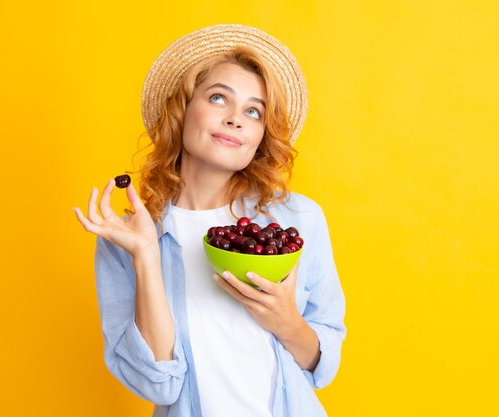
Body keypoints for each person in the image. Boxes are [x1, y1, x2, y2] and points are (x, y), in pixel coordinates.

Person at [73, 24, 346, 417]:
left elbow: (321, 363)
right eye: (219, 98)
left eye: (253, 111)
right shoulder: (129, 237)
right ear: (182, 110)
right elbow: (158, 384)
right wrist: (146, 257)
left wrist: (286, 321)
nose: (236, 119)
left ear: (260, 134)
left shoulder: (296, 221)